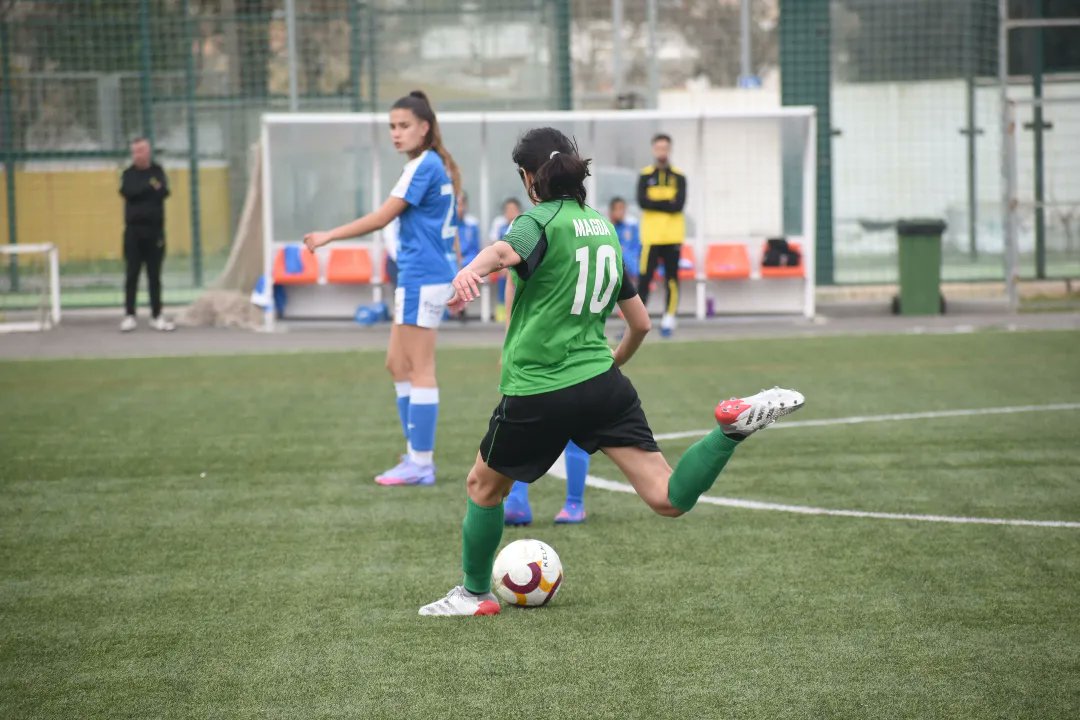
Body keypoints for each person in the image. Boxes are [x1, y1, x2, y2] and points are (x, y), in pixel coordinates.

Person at [418, 127, 804, 617]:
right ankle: (728, 430)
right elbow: (640, 323)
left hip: (539, 387)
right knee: (667, 497)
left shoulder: (538, 220)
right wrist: (607, 366)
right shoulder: (601, 227)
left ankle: (473, 595)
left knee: (483, 486)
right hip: (602, 385)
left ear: (530, 177)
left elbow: (502, 252)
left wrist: (469, 271)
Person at [304, 90, 460, 487]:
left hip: (422, 277)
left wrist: (329, 236)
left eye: (404, 126)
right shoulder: (431, 164)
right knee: (396, 363)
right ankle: (415, 451)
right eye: (392, 126)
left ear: (425, 128)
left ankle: (421, 462)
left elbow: (381, 218)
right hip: (421, 276)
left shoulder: (423, 166)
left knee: (421, 368)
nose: (396, 133)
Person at [502, 278, 591, 527]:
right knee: (521, 418)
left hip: (577, 341)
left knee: (576, 421)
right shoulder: (526, 237)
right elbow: (512, 279)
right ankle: (517, 500)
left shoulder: (587, 238)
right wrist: (510, 334)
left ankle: (575, 502)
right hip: (533, 342)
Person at [119, 137, 174, 332]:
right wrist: (149, 188)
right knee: (132, 274)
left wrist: (152, 189)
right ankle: (129, 315)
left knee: (154, 275)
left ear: (148, 151)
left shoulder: (157, 172)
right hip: (133, 232)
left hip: (155, 232)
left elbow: (163, 191)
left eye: (141, 150)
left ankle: (157, 315)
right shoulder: (128, 174)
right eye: (135, 151)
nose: (138, 155)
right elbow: (129, 192)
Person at [637, 133, 686, 338]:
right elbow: (642, 201)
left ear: (670, 149)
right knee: (644, 279)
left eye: (665, 148)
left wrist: (656, 202)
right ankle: (638, 321)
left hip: (673, 237)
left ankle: (668, 318)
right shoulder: (645, 175)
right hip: (651, 237)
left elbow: (679, 204)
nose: (662, 152)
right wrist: (667, 203)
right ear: (653, 149)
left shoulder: (679, 177)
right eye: (658, 148)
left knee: (672, 279)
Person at [489, 197, 521, 319]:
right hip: (501, 263)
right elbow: (494, 245)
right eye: (508, 210)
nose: (510, 212)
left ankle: (515, 312)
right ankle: (502, 310)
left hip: (516, 262)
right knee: (503, 277)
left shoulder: (523, 224)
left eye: (513, 209)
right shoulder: (499, 224)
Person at [609, 196, 640, 284]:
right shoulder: (607, 228)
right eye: (617, 209)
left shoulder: (632, 226)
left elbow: (637, 248)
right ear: (611, 211)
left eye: (622, 209)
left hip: (632, 269)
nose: (620, 212)